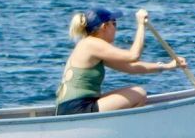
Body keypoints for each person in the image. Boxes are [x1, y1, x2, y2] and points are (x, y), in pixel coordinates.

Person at [55, 7, 188, 116]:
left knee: (136, 93)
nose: (116, 29)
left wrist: (169, 66)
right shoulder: (91, 44)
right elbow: (133, 55)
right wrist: (141, 25)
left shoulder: (92, 47)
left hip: (73, 107)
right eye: (114, 23)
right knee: (139, 94)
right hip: (77, 108)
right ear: (104, 26)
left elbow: (132, 67)